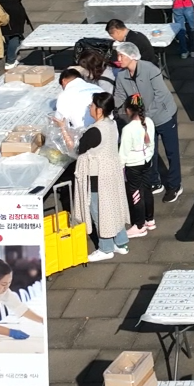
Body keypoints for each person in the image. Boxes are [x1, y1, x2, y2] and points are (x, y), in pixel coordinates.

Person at [76, 92, 132, 261]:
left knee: (98, 211)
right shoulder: (112, 124)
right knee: (114, 207)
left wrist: (63, 130)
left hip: (97, 176)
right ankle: (121, 243)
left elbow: (78, 150)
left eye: (92, 106)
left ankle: (106, 247)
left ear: (99, 110)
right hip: (112, 173)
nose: (90, 108)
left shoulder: (94, 131)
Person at [117, 94, 157, 234]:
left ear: (128, 110)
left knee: (136, 194)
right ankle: (149, 220)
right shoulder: (149, 122)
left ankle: (139, 226)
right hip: (146, 161)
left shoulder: (128, 129)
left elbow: (123, 152)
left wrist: (120, 167)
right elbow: (151, 144)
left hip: (133, 165)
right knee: (147, 190)